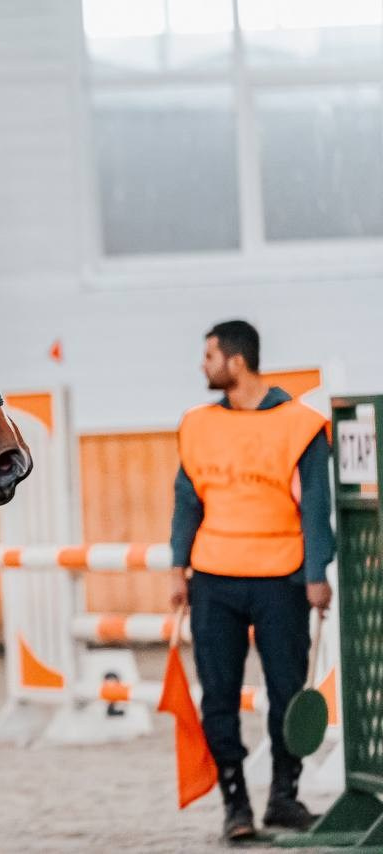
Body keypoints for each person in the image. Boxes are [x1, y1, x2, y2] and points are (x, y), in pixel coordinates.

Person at [169, 320, 334, 840]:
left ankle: (284, 797)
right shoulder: (196, 424)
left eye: (210, 355)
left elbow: (316, 507)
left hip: (280, 579)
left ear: (236, 362)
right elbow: (186, 501)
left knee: (288, 692)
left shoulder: (300, 424)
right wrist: (179, 569)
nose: (204, 365)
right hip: (214, 580)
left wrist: (316, 575)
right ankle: (235, 804)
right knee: (217, 697)